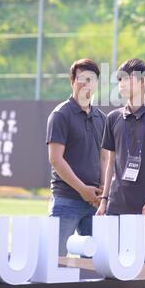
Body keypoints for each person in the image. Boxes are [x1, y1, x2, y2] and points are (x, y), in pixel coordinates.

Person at [96, 58, 145, 264]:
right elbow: (110, 163)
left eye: (127, 78)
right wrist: (104, 201)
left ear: (143, 82)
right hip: (115, 207)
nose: (121, 83)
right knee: (111, 270)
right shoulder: (113, 118)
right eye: (119, 79)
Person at [47, 58, 106, 256]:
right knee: (54, 262)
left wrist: (102, 193)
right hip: (66, 200)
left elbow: (105, 159)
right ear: (72, 81)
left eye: (92, 79)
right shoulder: (60, 115)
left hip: (94, 203)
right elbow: (56, 159)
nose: (87, 83)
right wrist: (82, 190)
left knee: (95, 267)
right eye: (82, 78)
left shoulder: (101, 118)